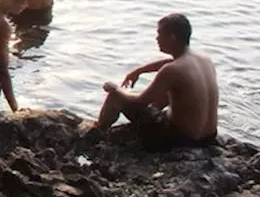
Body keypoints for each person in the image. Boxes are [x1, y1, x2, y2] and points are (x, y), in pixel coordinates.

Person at [93, 13, 218, 150]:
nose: (156, 38)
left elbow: (141, 101)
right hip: (208, 137)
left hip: (181, 140)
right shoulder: (204, 59)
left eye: (159, 34)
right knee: (172, 91)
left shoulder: (171, 70)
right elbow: (174, 62)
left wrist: (116, 89)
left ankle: (99, 132)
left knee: (115, 97)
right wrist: (139, 71)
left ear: (172, 37)